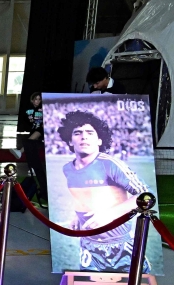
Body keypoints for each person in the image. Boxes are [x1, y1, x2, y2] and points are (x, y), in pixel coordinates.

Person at [58, 110, 149, 272]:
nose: (83, 136)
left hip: (121, 245)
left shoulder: (110, 164)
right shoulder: (67, 169)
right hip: (89, 246)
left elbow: (146, 196)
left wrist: (109, 214)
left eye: (89, 132)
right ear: (70, 141)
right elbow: (82, 195)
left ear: (99, 140)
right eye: (77, 133)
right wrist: (75, 214)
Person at [22, 92, 47, 205]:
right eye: (35, 99)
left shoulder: (44, 110)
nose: (37, 101)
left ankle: (45, 192)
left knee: (40, 167)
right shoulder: (29, 111)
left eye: (39, 99)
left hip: (40, 138)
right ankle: (43, 191)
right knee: (37, 166)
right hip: (34, 140)